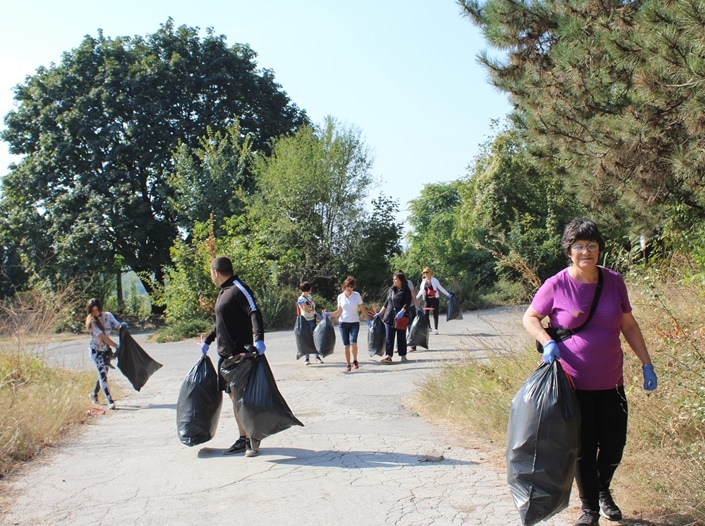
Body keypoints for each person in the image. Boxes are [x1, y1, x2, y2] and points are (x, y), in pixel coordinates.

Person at [522, 218, 658, 526]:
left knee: (614, 444)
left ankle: (602, 489)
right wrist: (546, 342)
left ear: (599, 248)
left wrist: (646, 362)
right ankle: (590, 510)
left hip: (611, 380)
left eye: (592, 245)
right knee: (584, 446)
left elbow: (628, 325)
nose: (587, 252)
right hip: (572, 382)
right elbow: (530, 317)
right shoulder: (557, 284)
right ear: (569, 251)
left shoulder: (613, 281)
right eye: (580, 246)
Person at [200, 256, 267, 458]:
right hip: (226, 356)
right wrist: (209, 340)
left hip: (240, 356)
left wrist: (259, 339)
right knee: (234, 398)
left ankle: (252, 440)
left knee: (243, 400)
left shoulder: (238, 288)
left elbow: (254, 312)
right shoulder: (224, 292)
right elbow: (222, 323)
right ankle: (243, 438)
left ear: (216, 272)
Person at [85, 298, 126, 410]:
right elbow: (103, 337)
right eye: (92, 311)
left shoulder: (107, 316)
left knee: (103, 374)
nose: (95, 312)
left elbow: (117, 325)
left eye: (97, 310)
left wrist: (123, 327)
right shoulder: (91, 322)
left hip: (105, 351)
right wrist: (116, 346)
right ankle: (110, 400)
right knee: (102, 374)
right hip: (96, 351)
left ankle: (93, 393)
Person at [327, 276, 371, 371]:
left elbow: (362, 308)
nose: (349, 288)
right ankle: (348, 364)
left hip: (354, 322)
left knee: (353, 342)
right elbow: (339, 311)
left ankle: (355, 360)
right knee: (346, 345)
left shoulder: (357, 295)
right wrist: (329, 314)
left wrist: (367, 319)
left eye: (351, 287)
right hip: (343, 323)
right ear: (344, 286)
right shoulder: (340, 297)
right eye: (348, 286)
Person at [375, 271, 412, 363]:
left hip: (401, 317)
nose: (394, 281)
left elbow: (407, 303)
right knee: (389, 337)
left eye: (396, 279)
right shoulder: (391, 290)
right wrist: (380, 313)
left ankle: (403, 355)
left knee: (401, 336)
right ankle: (388, 356)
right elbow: (386, 303)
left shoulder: (406, 290)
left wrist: (402, 311)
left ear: (401, 280)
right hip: (389, 316)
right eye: (393, 279)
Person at [417, 267, 453, 334]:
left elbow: (440, 288)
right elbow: (421, 291)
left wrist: (448, 294)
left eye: (427, 272)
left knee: (435, 314)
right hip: (427, 299)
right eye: (424, 273)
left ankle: (436, 329)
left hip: (434, 299)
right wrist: (416, 298)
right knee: (425, 314)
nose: (425, 274)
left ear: (430, 273)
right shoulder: (423, 282)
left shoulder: (434, 280)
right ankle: (429, 327)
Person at [297, 281, 324, 365]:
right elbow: (306, 309)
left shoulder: (310, 297)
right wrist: (309, 306)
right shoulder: (300, 299)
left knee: (315, 338)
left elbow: (312, 308)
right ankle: (307, 358)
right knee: (306, 339)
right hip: (305, 320)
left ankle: (317, 357)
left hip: (312, 319)